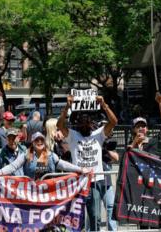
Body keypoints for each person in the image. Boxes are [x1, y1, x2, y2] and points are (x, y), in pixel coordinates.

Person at [57, 95, 118, 232]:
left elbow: (114, 121)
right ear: (78, 124)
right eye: (82, 122)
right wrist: (67, 106)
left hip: (96, 181)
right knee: (78, 216)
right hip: (79, 182)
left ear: (92, 123)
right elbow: (59, 125)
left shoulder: (98, 134)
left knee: (95, 216)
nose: (85, 124)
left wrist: (104, 105)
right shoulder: (72, 135)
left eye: (87, 122)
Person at [0, 132, 86, 179]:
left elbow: (64, 165)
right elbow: (13, 166)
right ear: (32, 143)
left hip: (49, 194)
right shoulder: (26, 155)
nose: (39, 142)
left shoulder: (51, 155)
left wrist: (80, 169)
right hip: (32, 195)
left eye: (41, 139)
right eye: (37, 140)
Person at [102, 136, 119, 231]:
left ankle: (113, 230)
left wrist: (106, 149)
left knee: (110, 207)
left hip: (106, 183)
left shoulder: (107, 145)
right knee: (93, 211)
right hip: (93, 182)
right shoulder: (92, 142)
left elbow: (116, 158)